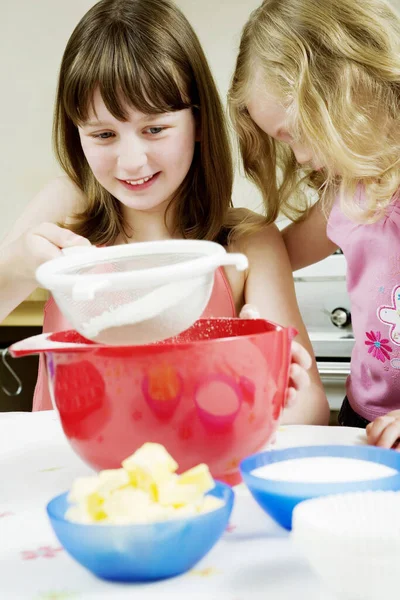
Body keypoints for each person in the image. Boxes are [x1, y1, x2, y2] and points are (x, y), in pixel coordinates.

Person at [0, 0, 328, 423]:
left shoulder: (246, 240)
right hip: (68, 476)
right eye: (103, 134)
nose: (132, 161)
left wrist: (274, 388)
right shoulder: (66, 209)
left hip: (196, 478)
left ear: (199, 123)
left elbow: (312, 408)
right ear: (75, 134)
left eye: (154, 129)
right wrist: (19, 267)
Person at [228, 0, 400, 446]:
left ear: (348, 85)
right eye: (283, 141)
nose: (301, 156)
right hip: (362, 418)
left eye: (299, 131)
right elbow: (270, 257)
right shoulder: (346, 192)